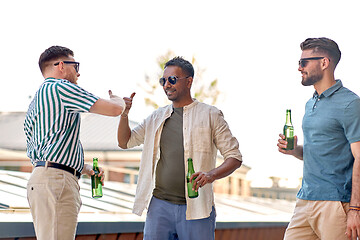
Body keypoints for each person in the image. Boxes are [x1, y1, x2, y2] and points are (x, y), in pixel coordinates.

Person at [117, 56, 242, 240]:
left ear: (189, 81)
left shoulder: (211, 115)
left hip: (198, 209)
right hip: (159, 207)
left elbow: (234, 157)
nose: (167, 84)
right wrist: (124, 114)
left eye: (172, 79)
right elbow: (125, 142)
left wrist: (211, 175)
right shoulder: (155, 117)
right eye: (163, 80)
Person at [24, 46, 125, 240]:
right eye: (75, 66)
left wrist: (83, 168)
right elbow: (114, 110)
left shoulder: (37, 100)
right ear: (61, 65)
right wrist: (118, 100)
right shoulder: (61, 88)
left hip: (42, 179)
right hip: (57, 181)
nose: (78, 73)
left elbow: (47, 148)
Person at [277, 37, 360, 240]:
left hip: (335, 204)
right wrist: (294, 150)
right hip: (305, 200)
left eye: (304, 62)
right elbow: (320, 153)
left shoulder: (350, 104)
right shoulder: (310, 103)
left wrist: (356, 209)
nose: (299, 68)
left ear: (324, 62)